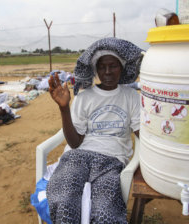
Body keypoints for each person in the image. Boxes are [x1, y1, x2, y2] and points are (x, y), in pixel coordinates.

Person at [47, 37, 142, 223]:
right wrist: (64, 108)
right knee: (64, 201)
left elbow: (141, 133)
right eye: (102, 66)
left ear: (121, 67)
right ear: (95, 70)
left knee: (104, 212)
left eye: (113, 65)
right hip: (77, 157)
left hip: (112, 161)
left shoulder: (131, 96)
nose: (107, 72)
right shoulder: (84, 97)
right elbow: (74, 143)